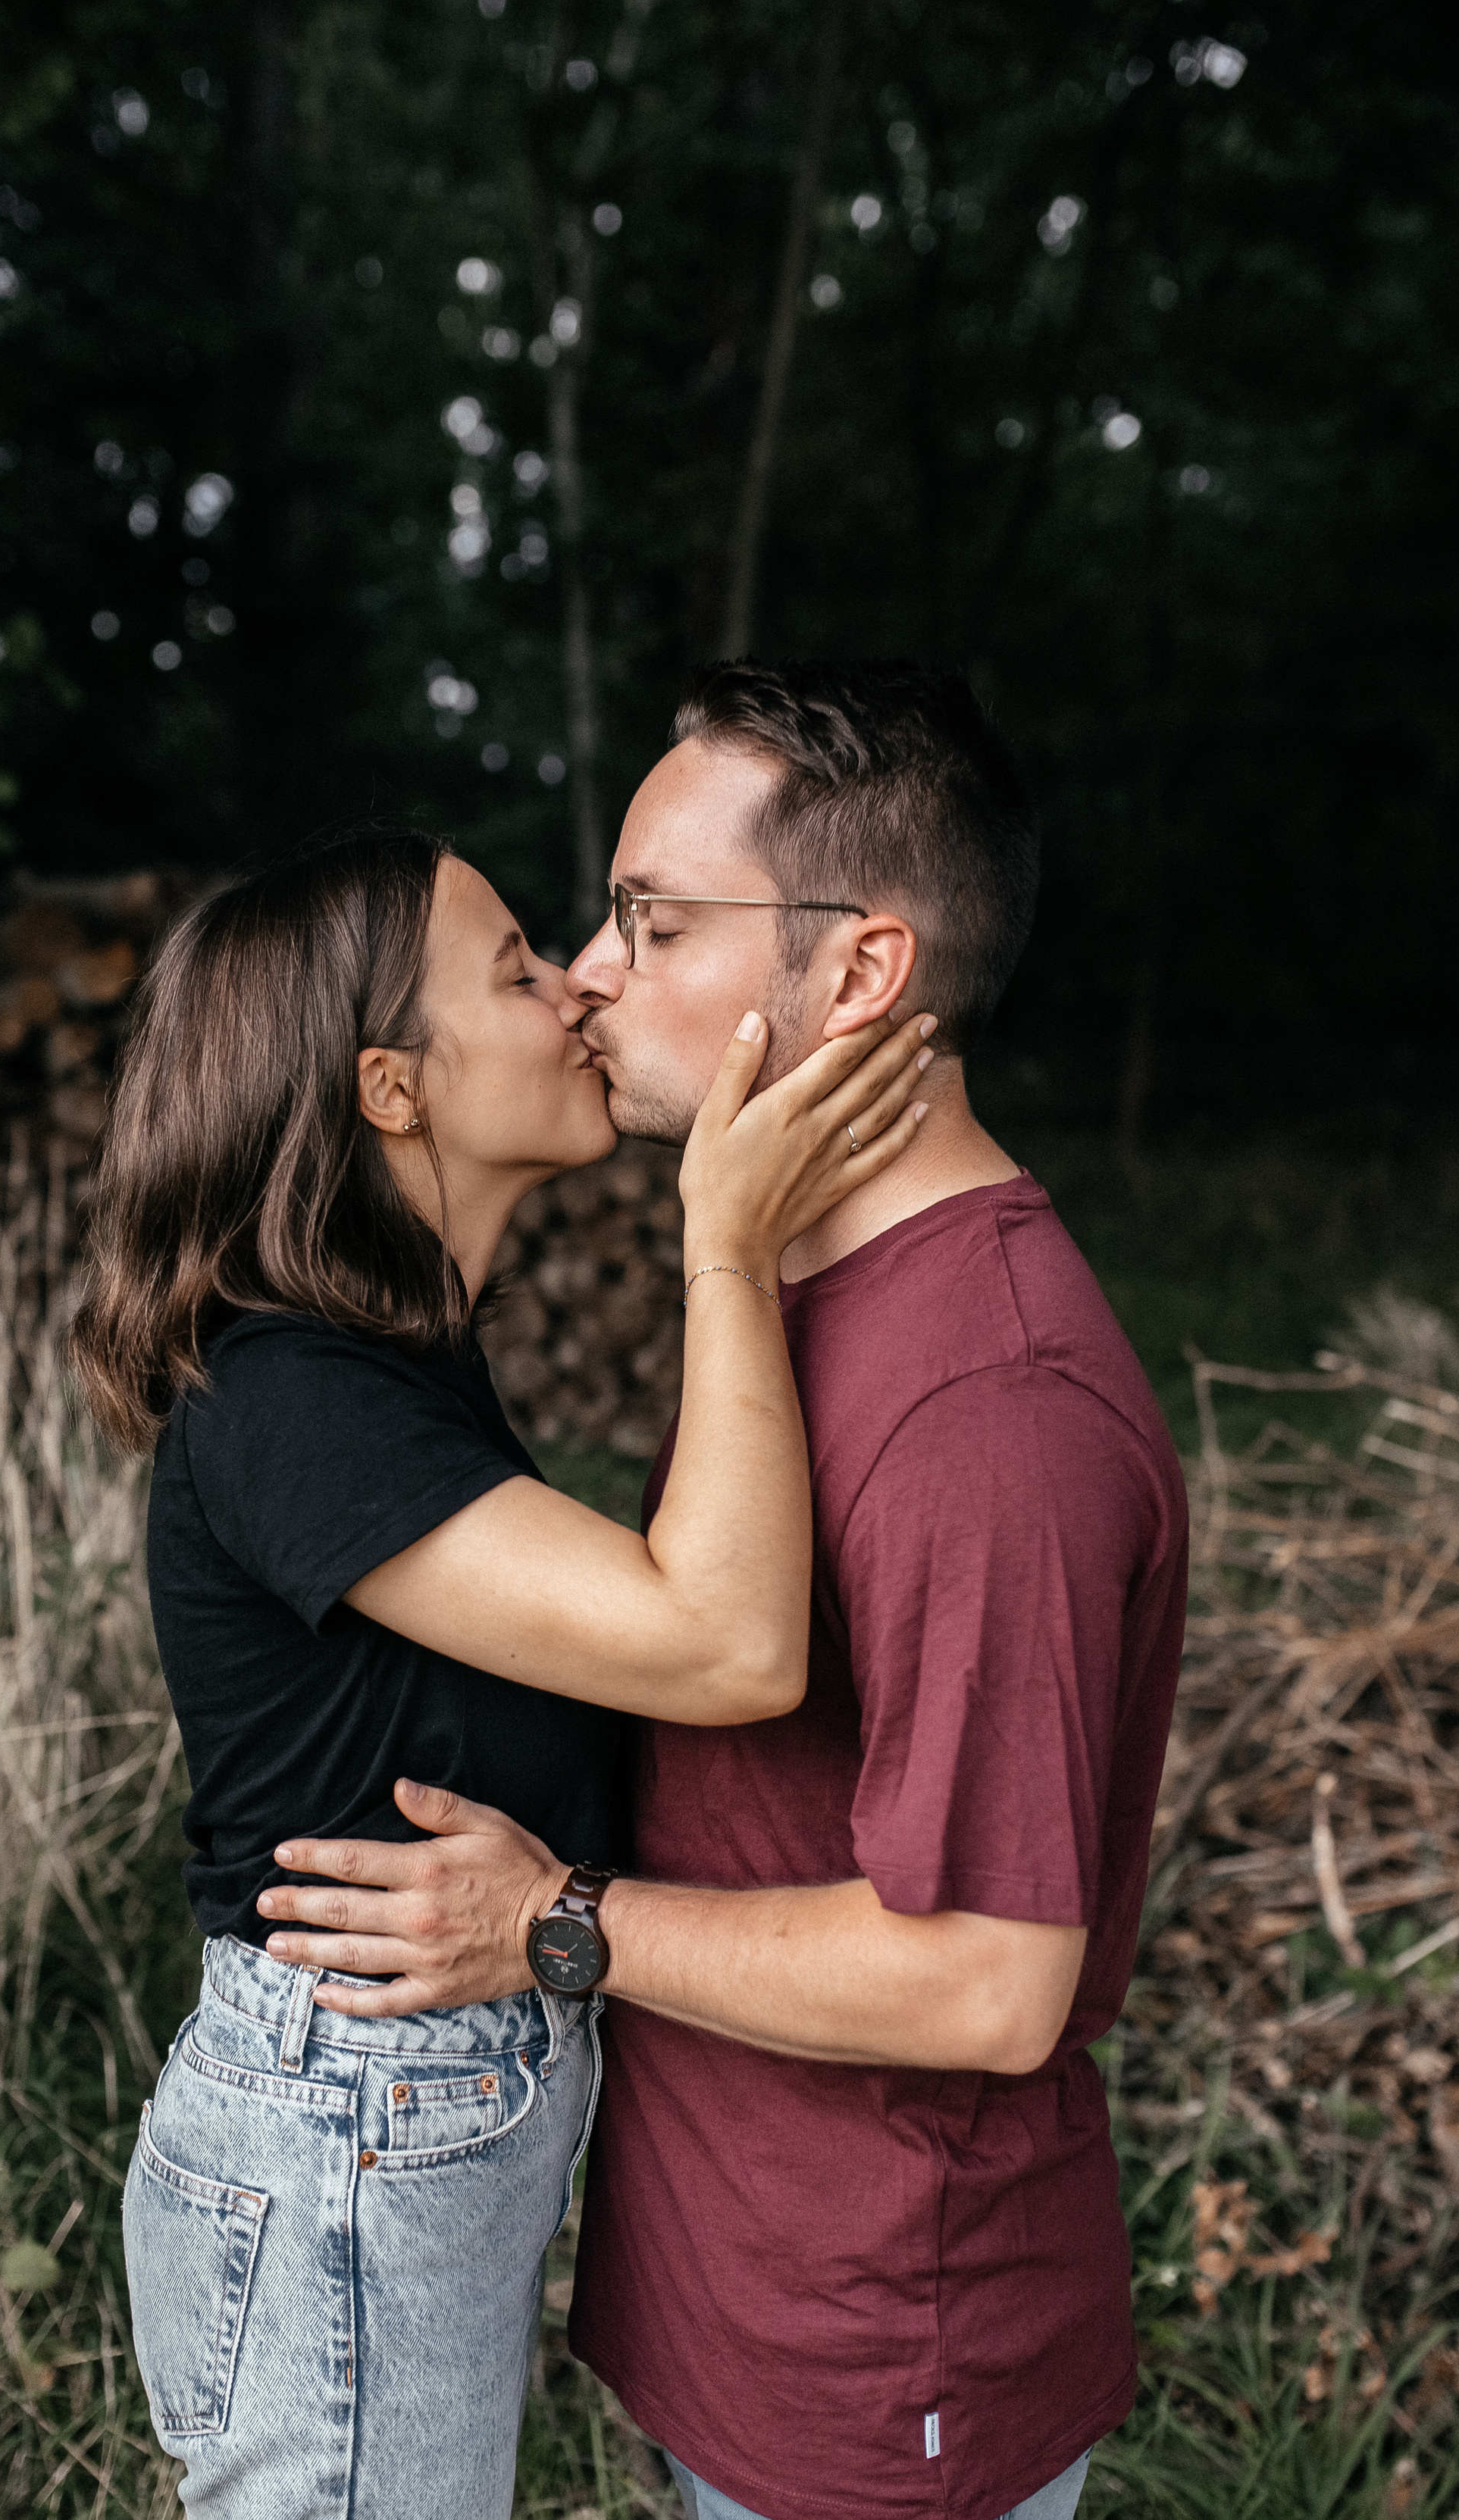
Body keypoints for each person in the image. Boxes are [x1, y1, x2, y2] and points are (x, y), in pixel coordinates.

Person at [256, 664, 1191, 2520]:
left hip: (881, 2362)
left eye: (649, 919)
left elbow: (996, 1978)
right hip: (744, 2302)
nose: (588, 971)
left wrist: (555, 1921)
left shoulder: (987, 1408)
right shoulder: (784, 1283)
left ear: (856, 977)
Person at [68, 821, 936, 2520]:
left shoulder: (387, 1363)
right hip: (345, 2118)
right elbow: (726, 1641)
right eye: (515, 968)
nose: (577, 984)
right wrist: (723, 1245)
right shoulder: (292, 1394)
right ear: (391, 1089)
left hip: (393, 2105)